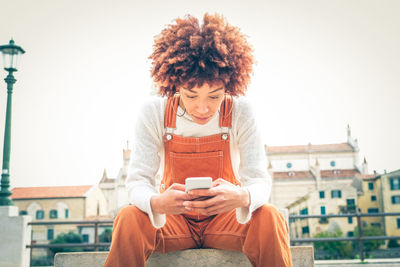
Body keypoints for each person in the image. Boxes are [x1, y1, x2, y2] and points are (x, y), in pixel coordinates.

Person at [104, 13, 292, 267]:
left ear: (229, 86)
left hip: (227, 221)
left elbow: (260, 181)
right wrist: (158, 202)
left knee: (270, 216)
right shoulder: (154, 112)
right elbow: (138, 181)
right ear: (174, 85)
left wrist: (242, 196)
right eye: (191, 96)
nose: (202, 109)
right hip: (172, 222)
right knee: (127, 218)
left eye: (214, 97)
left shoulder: (241, 111)